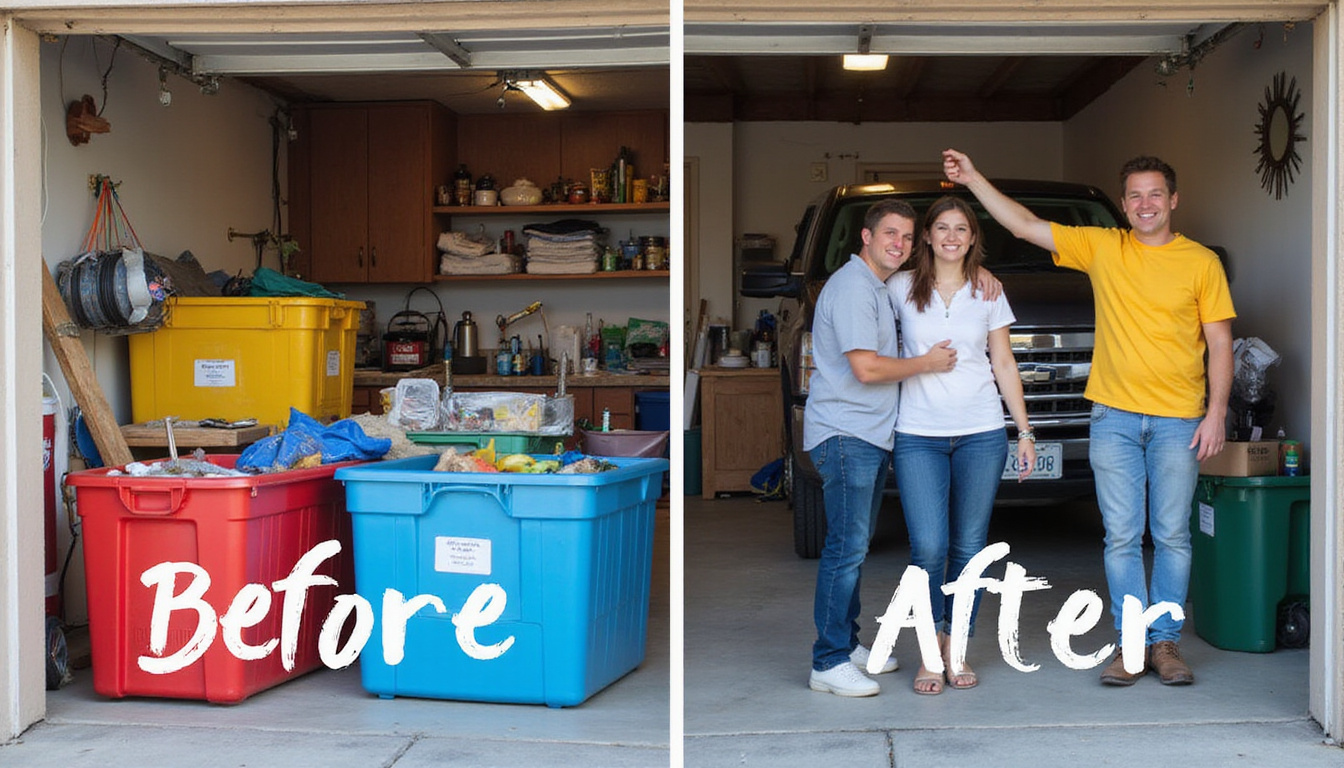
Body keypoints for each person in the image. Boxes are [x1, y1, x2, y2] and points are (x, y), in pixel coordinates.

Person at [942, 148, 1235, 687]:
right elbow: (1025, 225)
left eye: (1155, 194)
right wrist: (975, 179)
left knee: (1171, 535)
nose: (1145, 205)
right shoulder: (1103, 247)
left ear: (1173, 200)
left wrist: (1216, 413)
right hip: (1114, 418)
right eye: (1135, 196)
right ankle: (1130, 645)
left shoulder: (1201, 263)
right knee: (1121, 537)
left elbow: (1220, 343)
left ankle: (1164, 643)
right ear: (1123, 205)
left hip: (1179, 420)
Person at [804, 199, 958, 697]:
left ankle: (846, 646)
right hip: (847, 434)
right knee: (844, 550)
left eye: (909, 237)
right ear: (866, 237)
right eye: (890, 233)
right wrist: (927, 364)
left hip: (866, 434)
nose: (900, 244)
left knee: (854, 546)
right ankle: (827, 661)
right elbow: (865, 368)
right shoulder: (853, 288)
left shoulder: (875, 286)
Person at [887, 195, 1036, 695]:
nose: (952, 236)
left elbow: (1004, 364)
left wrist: (1025, 431)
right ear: (926, 236)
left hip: (981, 432)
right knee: (928, 548)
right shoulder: (899, 287)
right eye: (942, 228)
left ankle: (956, 647)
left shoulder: (989, 290)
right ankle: (930, 653)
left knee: (970, 549)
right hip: (918, 435)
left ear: (973, 238)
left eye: (962, 229)